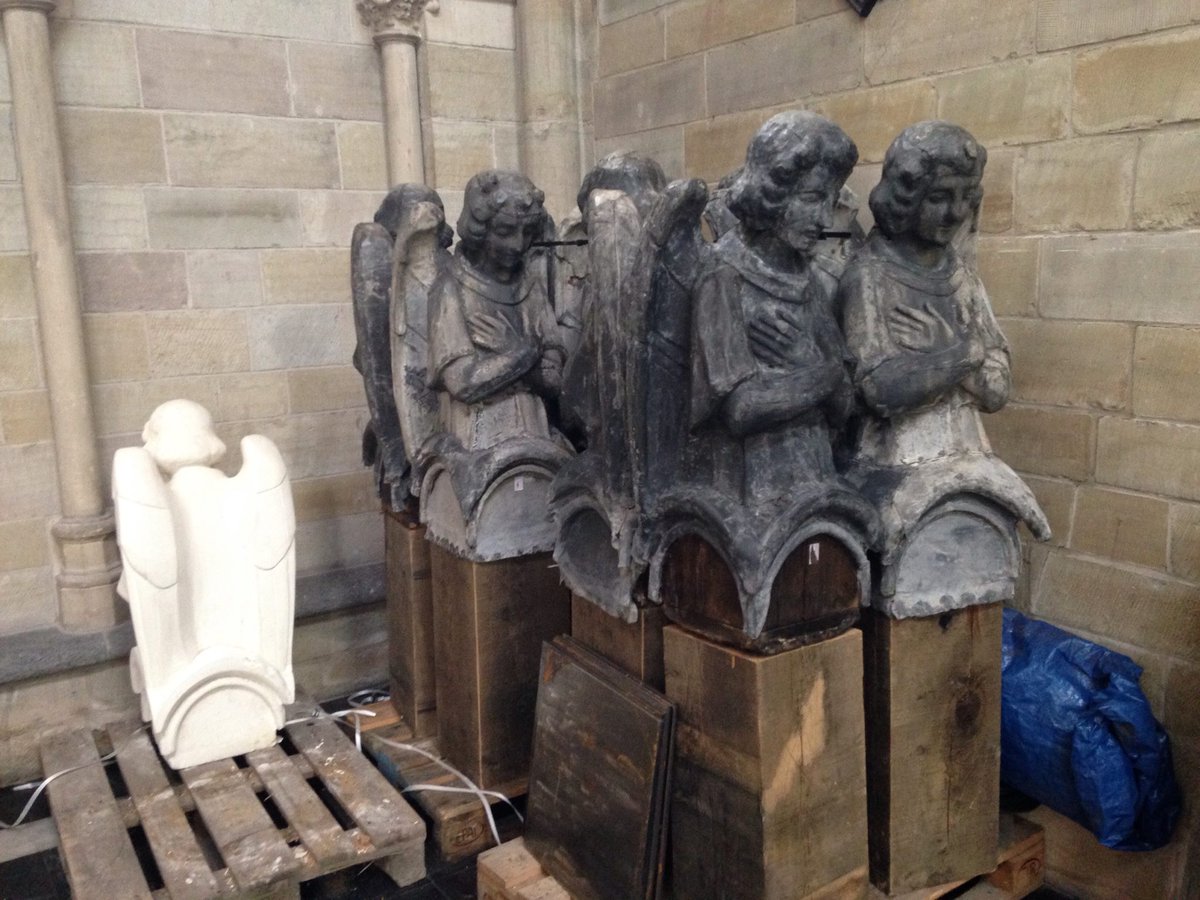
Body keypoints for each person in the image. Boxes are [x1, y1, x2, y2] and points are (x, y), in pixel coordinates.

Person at [688, 110, 858, 506]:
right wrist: (824, 376)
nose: (822, 217)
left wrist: (806, 362)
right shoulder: (722, 275)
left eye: (830, 202)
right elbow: (741, 410)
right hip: (749, 487)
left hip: (815, 474)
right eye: (812, 198)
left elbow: (845, 404)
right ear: (771, 193)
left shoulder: (807, 278)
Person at [426, 170, 565, 453]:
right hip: (476, 440)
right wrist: (524, 354)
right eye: (505, 232)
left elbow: (553, 379)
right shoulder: (450, 288)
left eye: (527, 232)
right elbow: (463, 383)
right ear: (480, 230)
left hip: (536, 433)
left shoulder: (530, 287)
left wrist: (508, 352)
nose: (518, 244)